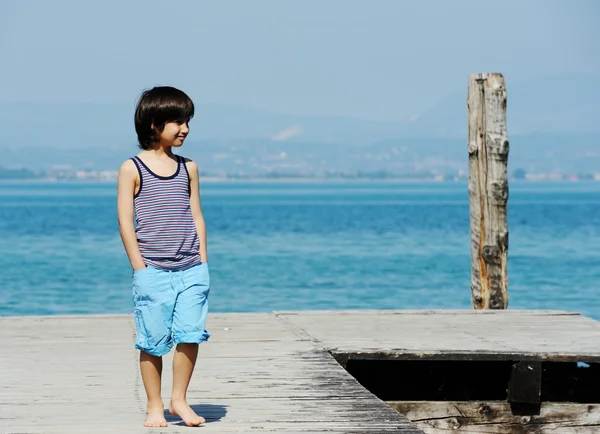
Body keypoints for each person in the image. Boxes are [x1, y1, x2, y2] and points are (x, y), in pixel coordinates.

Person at [117, 86, 210, 428]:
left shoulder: (189, 168)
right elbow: (126, 223)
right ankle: (154, 406)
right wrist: (139, 268)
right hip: (153, 270)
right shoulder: (132, 168)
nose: (184, 128)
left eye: (187, 121)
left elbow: (196, 215)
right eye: (177, 121)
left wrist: (202, 260)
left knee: (190, 335)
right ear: (154, 124)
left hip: (192, 269)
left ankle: (179, 400)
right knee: (152, 341)